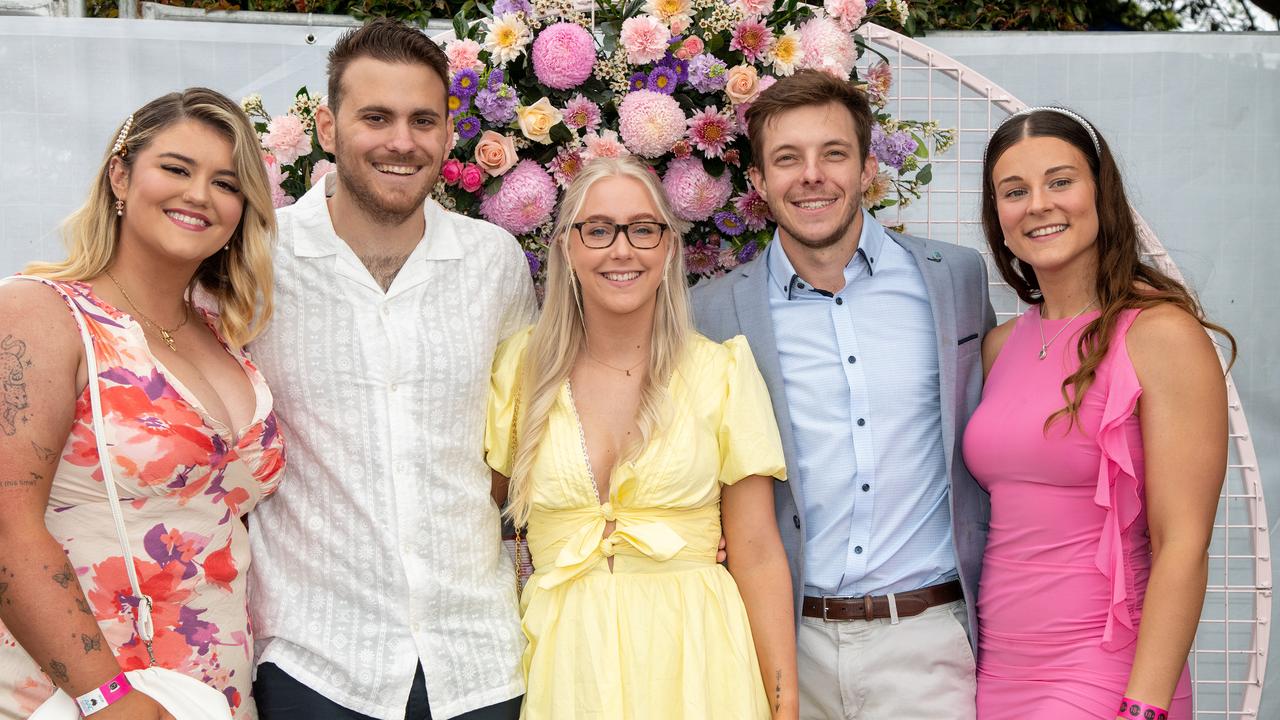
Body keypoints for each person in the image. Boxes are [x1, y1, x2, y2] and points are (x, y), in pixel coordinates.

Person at [246, 18, 535, 720]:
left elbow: (519, 433)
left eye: (422, 120)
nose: (401, 141)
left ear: (447, 131)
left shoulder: (493, 262)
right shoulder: (256, 262)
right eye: (375, 117)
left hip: (478, 661)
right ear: (328, 125)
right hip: (316, 663)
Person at [692, 69, 996, 719]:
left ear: (865, 170)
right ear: (757, 182)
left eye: (833, 153)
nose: (812, 175)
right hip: (778, 641)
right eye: (786, 158)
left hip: (927, 642)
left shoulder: (956, 282)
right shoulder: (711, 313)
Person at [0, 87, 284, 719]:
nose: (199, 195)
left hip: (219, 692)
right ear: (120, 175)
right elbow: (5, 525)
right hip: (82, 694)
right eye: (176, 169)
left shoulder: (223, 334)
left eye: (227, 183)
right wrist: (107, 696)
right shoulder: (40, 313)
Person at [485, 155, 797, 719]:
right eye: (598, 230)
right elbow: (478, 523)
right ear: (566, 248)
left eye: (643, 229)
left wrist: (784, 703)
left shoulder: (721, 373)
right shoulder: (519, 370)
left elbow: (755, 551)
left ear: (669, 248)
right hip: (563, 666)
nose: (621, 250)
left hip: (700, 664)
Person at [963, 106, 1233, 720]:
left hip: (1106, 672)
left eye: (1060, 181)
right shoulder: (999, 347)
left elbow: (1183, 543)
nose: (1038, 204)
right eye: (1015, 191)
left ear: (1099, 195)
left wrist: (1144, 709)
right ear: (998, 218)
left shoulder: (1160, 335)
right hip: (995, 671)